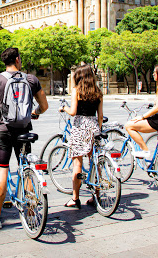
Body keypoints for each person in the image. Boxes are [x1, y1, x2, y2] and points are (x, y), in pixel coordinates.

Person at [0, 47, 48, 230]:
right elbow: (44, 106)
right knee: (26, 168)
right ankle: (31, 214)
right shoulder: (31, 79)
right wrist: (34, 112)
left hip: (5, 131)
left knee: (2, 174)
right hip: (24, 130)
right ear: (17, 60)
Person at [59, 65, 103, 208]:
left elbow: (73, 112)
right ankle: (96, 196)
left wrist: (64, 108)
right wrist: (98, 130)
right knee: (94, 161)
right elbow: (100, 116)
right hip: (94, 126)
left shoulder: (76, 90)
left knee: (77, 163)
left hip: (80, 127)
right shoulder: (98, 92)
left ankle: (75, 198)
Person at [125, 63, 158, 159]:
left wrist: (142, 117)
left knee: (129, 125)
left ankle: (145, 150)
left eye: (155, 72)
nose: (153, 74)